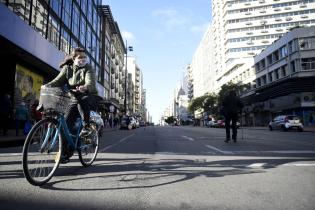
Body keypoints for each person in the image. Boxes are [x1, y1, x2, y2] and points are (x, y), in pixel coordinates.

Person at [44, 47, 98, 162]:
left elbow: (91, 82)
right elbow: (57, 81)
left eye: (84, 57)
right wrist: (46, 86)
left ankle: (87, 127)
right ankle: (65, 153)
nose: (83, 59)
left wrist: (85, 87)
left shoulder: (88, 68)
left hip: (89, 96)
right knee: (66, 126)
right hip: (73, 98)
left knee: (82, 101)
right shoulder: (67, 68)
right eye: (80, 57)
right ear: (74, 58)